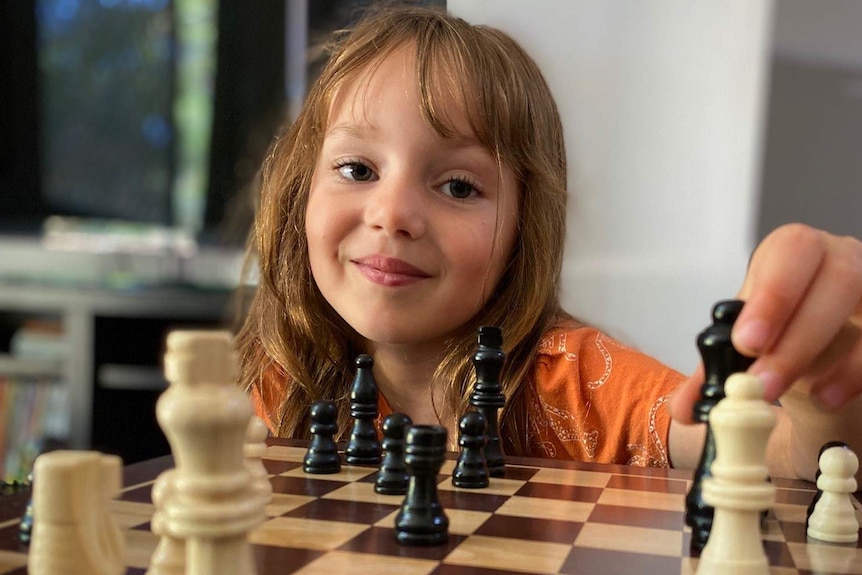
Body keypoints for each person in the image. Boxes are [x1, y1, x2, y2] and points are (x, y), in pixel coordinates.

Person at [235, 4, 862, 480]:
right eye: (357, 169)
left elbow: (776, 453)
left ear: (521, 229)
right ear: (300, 192)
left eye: (457, 186)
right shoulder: (281, 377)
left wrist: (825, 406)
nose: (393, 213)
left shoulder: (575, 383)